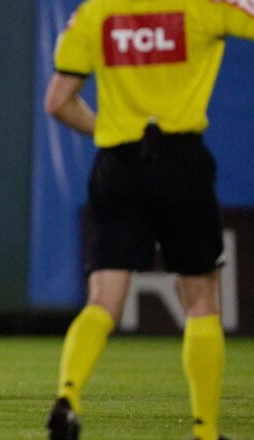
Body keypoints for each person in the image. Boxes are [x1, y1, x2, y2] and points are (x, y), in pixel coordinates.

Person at [42, 2, 254, 439]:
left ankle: (68, 396)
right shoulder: (205, 7)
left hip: (118, 164)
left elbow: (58, 102)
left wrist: (109, 128)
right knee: (200, 298)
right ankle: (205, 430)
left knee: (102, 301)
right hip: (180, 162)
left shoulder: (96, 13)